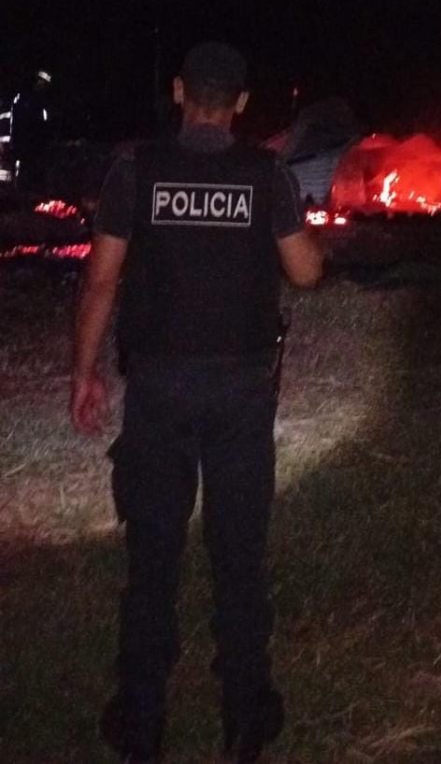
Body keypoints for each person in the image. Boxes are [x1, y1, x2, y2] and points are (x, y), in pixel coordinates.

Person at [70, 41, 323, 762]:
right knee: (238, 552)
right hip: (240, 392)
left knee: (154, 554)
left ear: (181, 92)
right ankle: (245, 715)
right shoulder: (264, 173)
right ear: (241, 103)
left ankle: (142, 718)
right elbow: (305, 272)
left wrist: (84, 371)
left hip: (158, 389)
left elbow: (100, 280)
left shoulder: (136, 170)